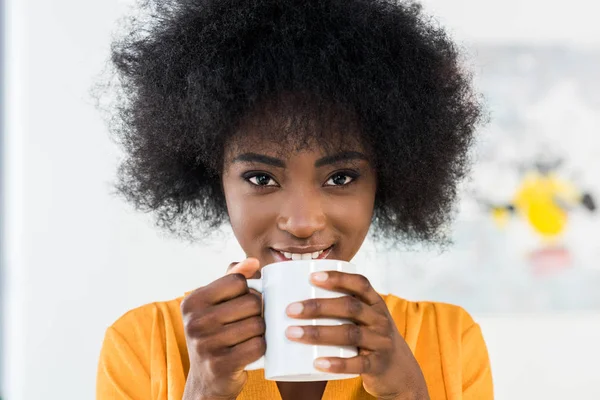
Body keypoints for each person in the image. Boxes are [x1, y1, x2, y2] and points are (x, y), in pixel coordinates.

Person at [95, 0, 493, 399]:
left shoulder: (449, 341)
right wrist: (204, 391)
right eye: (261, 177)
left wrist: (408, 392)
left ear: (384, 179)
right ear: (215, 180)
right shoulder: (143, 343)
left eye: (340, 177)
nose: (302, 223)